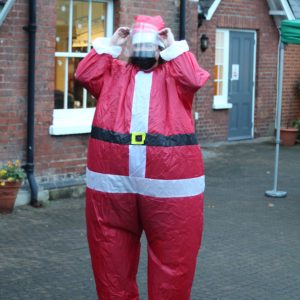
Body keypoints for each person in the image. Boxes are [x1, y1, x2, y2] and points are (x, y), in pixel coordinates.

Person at [76, 15, 210, 300]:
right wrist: (112, 43)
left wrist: (173, 45)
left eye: (150, 45)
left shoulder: (175, 77)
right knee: (110, 264)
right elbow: (85, 75)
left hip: (170, 191)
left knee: (174, 266)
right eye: (139, 44)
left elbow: (194, 77)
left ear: (160, 46)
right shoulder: (114, 73)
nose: (144, 51)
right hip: (112, 189)